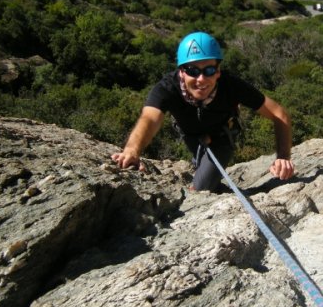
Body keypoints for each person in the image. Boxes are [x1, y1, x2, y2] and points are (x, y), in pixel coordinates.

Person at [111, 31, 295, 191]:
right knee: (204, 173)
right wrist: (132, 150)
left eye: (209, 70)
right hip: (190, 135)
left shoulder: (231, 86)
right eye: (192, 70)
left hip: (221, 138)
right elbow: (149, 118)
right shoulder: (167, 89)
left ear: (218, 71)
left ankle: (210, 183)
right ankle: (212, 180)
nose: (201, 79)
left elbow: (279, 114)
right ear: (181, 71)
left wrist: (283, 158)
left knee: (200, 188)